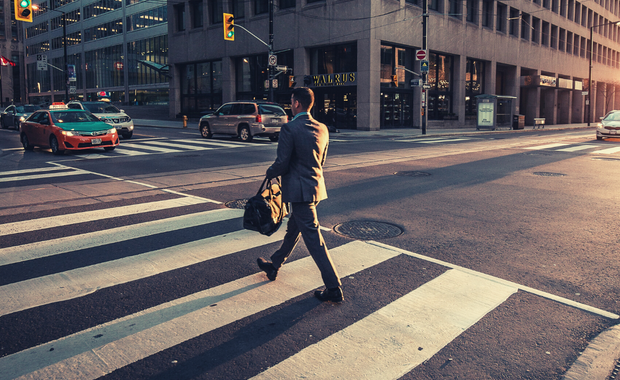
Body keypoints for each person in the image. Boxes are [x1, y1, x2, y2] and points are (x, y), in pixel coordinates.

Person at [256, 87, 343, 303]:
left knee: (314, 240)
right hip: (315, 188)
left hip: (299, 191)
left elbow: (282, 163)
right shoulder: (323, 128)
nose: (291, 104)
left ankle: (334, 287)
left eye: (291, 101)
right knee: (293, 230)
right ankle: (274, 265)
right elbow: (321, 161)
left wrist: (270, 172)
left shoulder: (290, 128)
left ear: (297, 103)